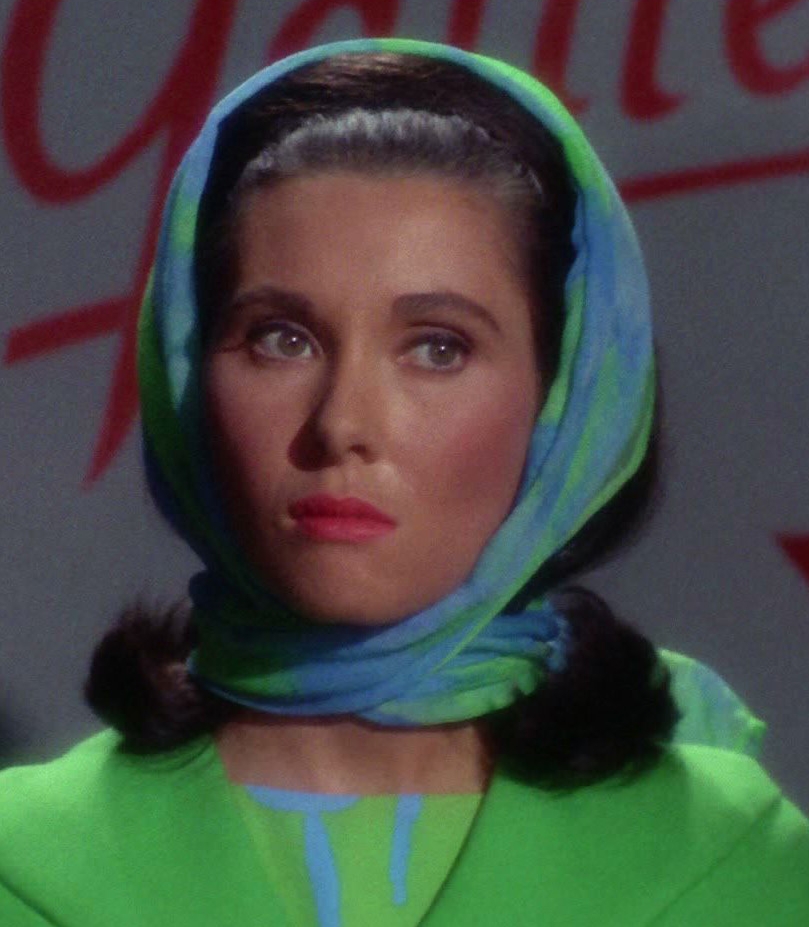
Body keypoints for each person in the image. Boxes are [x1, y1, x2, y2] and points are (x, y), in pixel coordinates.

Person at [1, 37, 807, 926]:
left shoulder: (729, 861)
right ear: (186, 372)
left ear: (563, 400)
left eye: (437, 348)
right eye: (281, 338)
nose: (342, 422)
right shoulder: (27, 863)